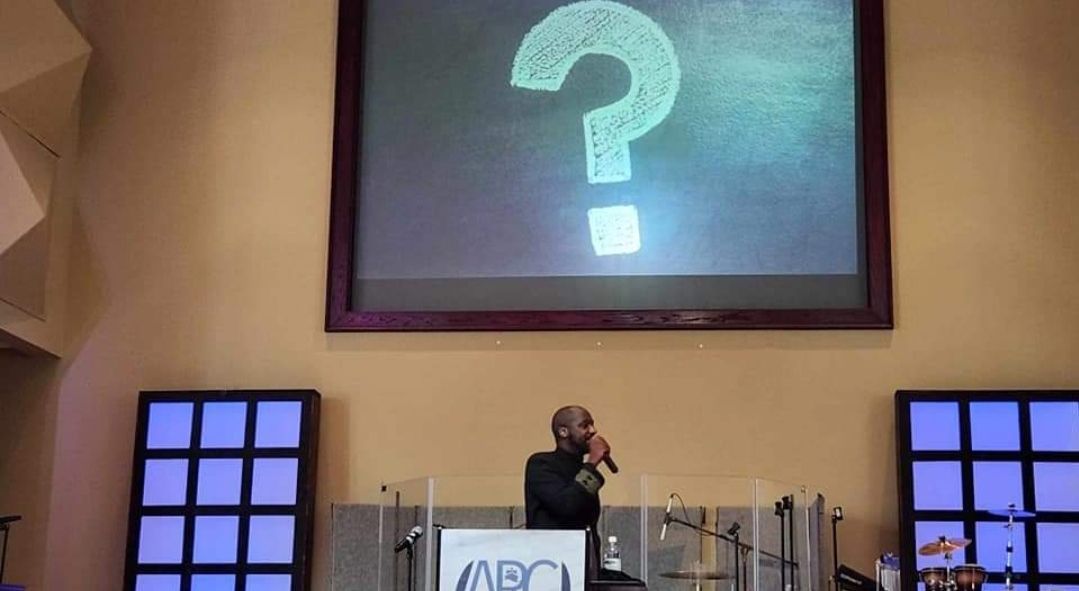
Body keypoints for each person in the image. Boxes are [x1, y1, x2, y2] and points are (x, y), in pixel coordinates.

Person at [524, 405, 614, 557]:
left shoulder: (582, 469)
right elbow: (567, 506)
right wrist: (592, 462)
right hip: (551, 559)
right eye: (585, 426)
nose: (593, 430)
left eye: (592, 424)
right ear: (563, 432)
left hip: (583, 559)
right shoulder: (541, 463)